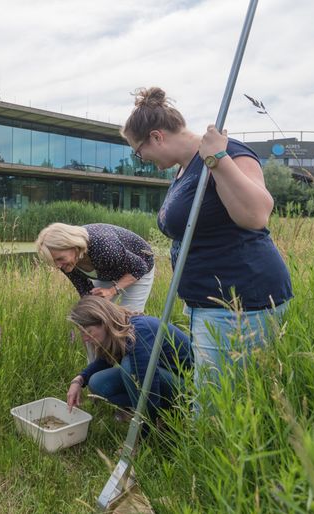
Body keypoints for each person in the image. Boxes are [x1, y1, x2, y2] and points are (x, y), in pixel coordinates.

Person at [121, 87, 293, 389]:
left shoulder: (227, 152)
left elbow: (256, 215)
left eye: (138, 151)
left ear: (157, 137)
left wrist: (218, 159)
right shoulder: (183, 170)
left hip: (239, 300)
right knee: (221, 395)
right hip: (208, 302)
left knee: (217, 404)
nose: (141, 159)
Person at [66, 296, 192, 421]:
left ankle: (158, 416)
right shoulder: (120, 330)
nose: (84, 338)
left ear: (104, 322)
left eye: (88, 331)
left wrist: (146, 427)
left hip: (188, 390)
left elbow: (148, 386)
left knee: (129, 366)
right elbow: (105, 360)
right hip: (164, 379)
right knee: (97, 382)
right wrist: (79, 380)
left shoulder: (139, 331)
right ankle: (162, 411)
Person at [35, 222, 156, 313]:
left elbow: (140, 267)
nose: (58, 266)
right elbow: (84, 289)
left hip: (138, 267)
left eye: (59, 259)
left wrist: (112, 291)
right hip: (108, 270)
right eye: (53, 261)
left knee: (130, 318)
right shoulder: (66, 263)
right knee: (93, 317)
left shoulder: (104, 246)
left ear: (72, 245)